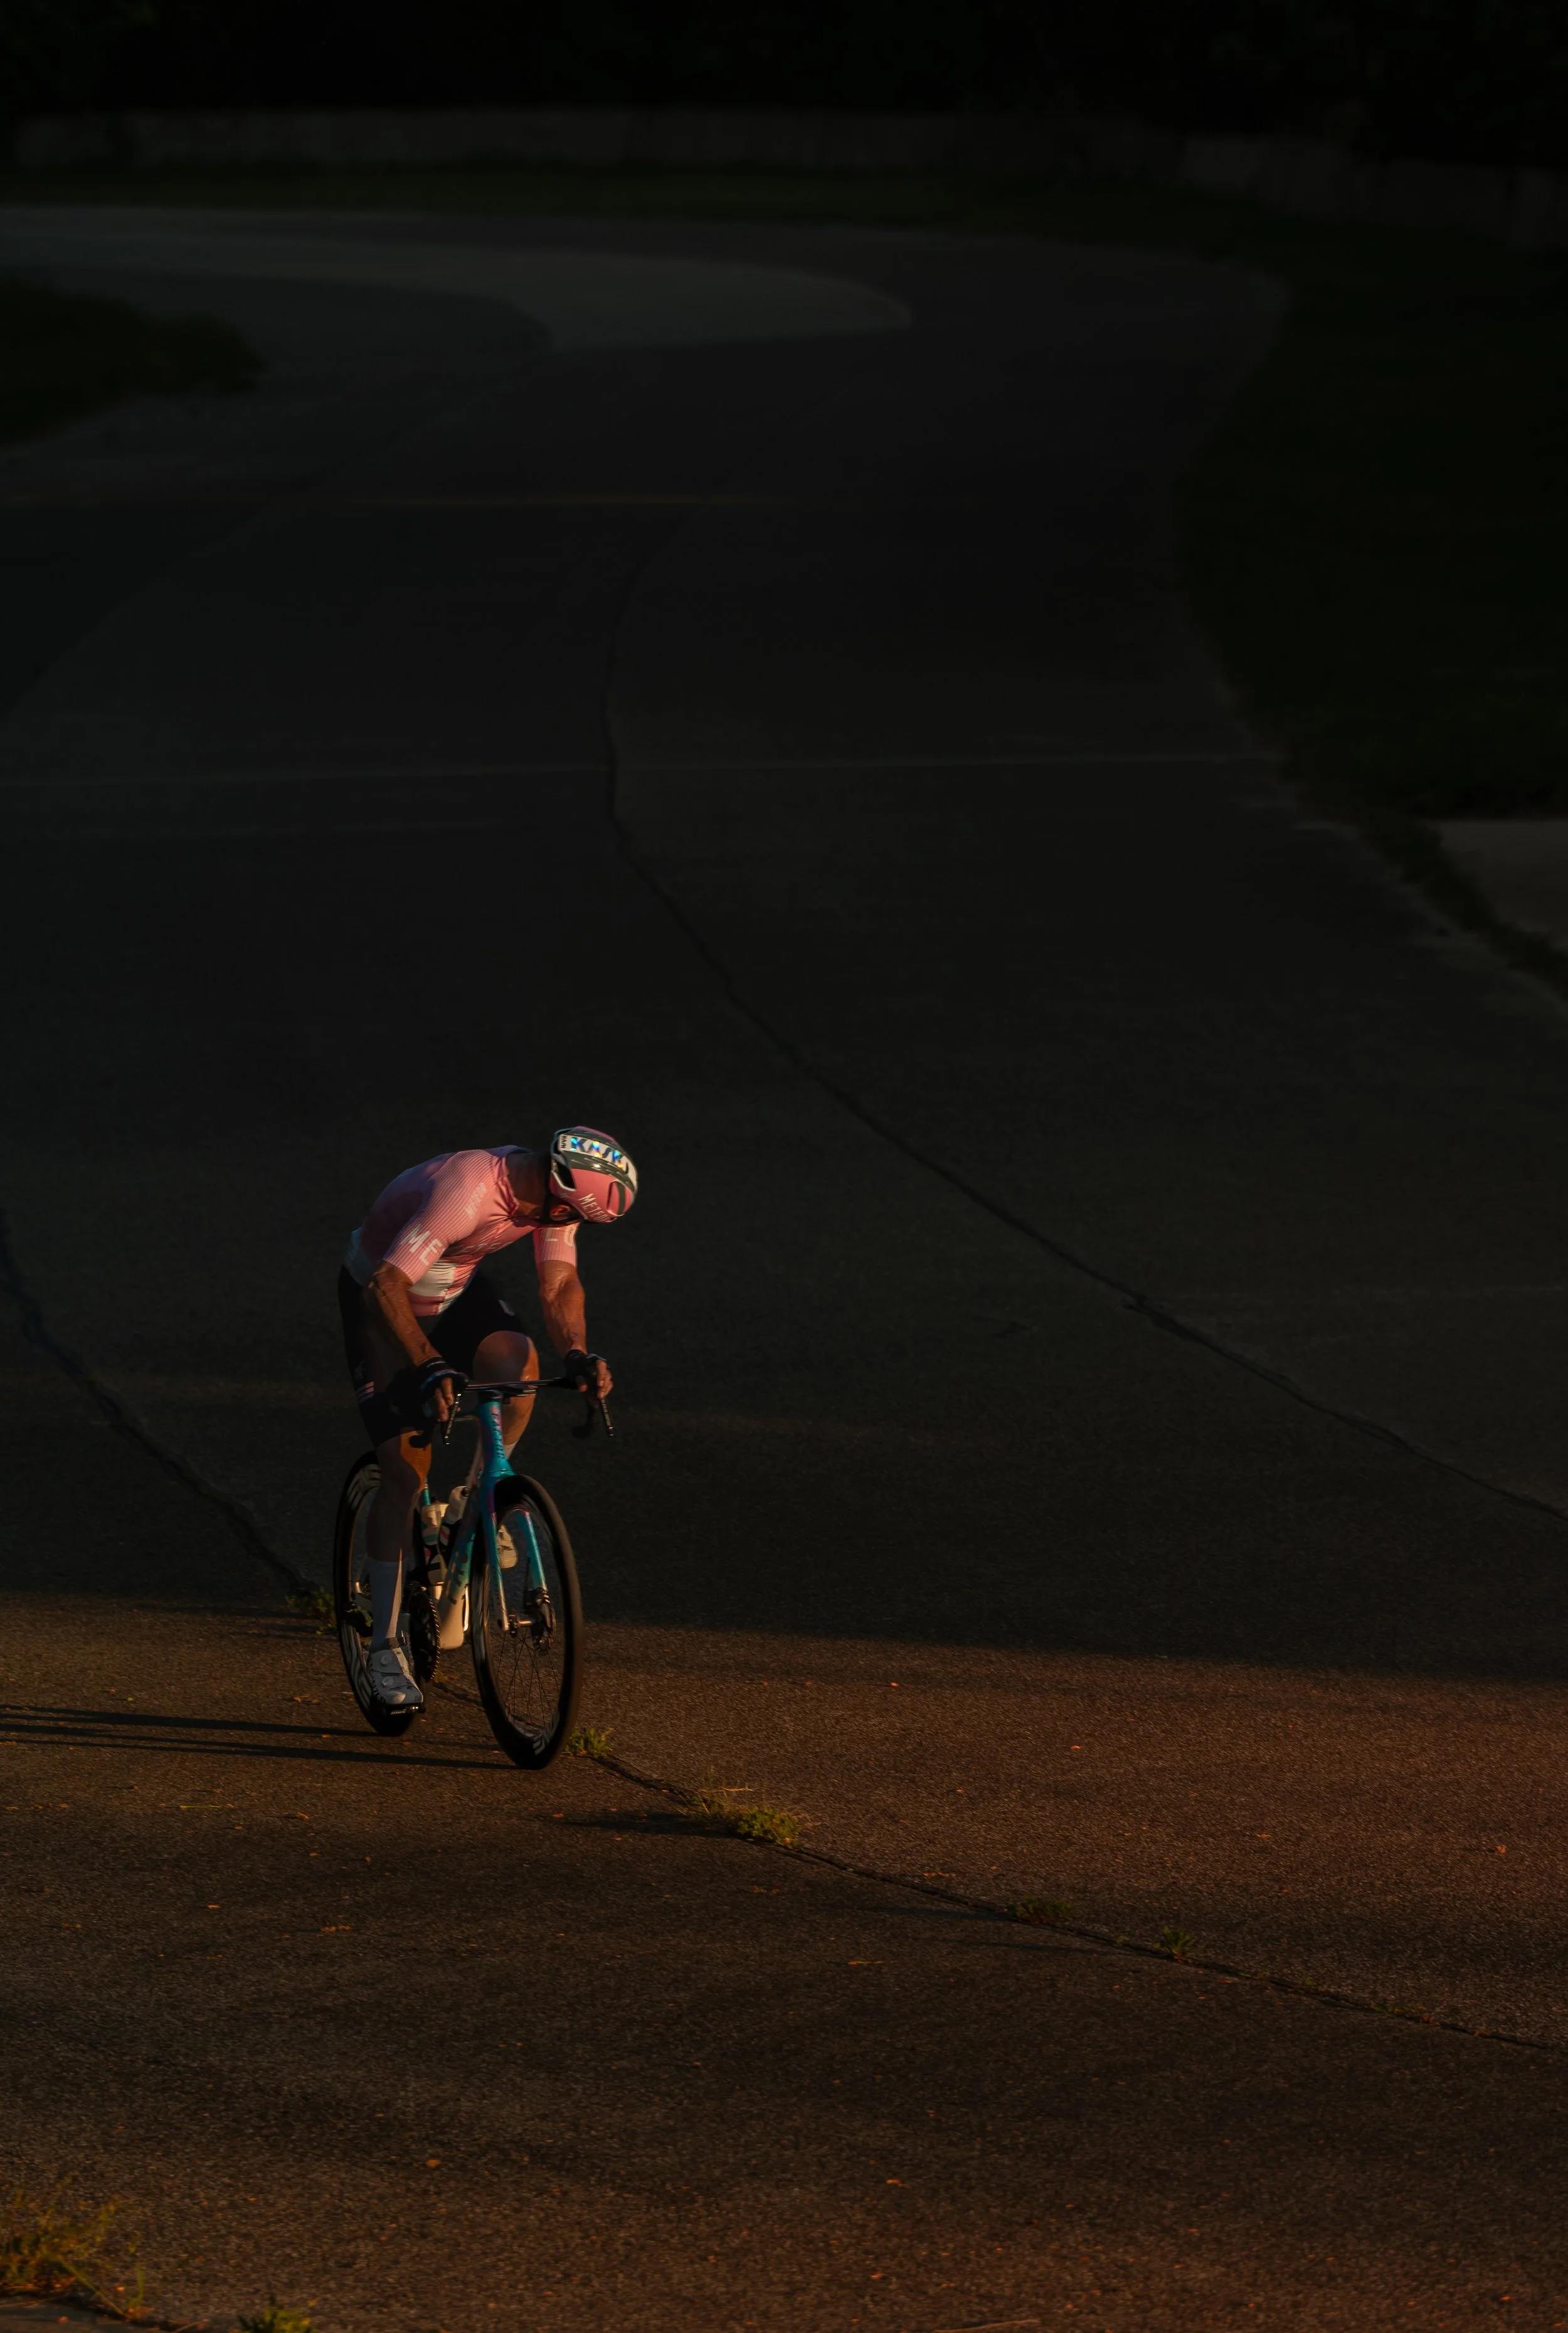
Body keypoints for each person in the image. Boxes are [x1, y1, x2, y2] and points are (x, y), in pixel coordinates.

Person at [338, 1127, 636, 1713]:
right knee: (403, 1469)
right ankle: (382, 1650)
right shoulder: (470, 1190)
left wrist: (576, 1352)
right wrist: (426, 1363)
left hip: (452, 1289)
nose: (571, 1224)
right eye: (575, 1217)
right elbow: (385, 1283)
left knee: (517, 1367)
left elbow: (560, 1282)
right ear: (558, 1195)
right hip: (383, 1301)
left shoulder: (552, 1192)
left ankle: (475, 1500)